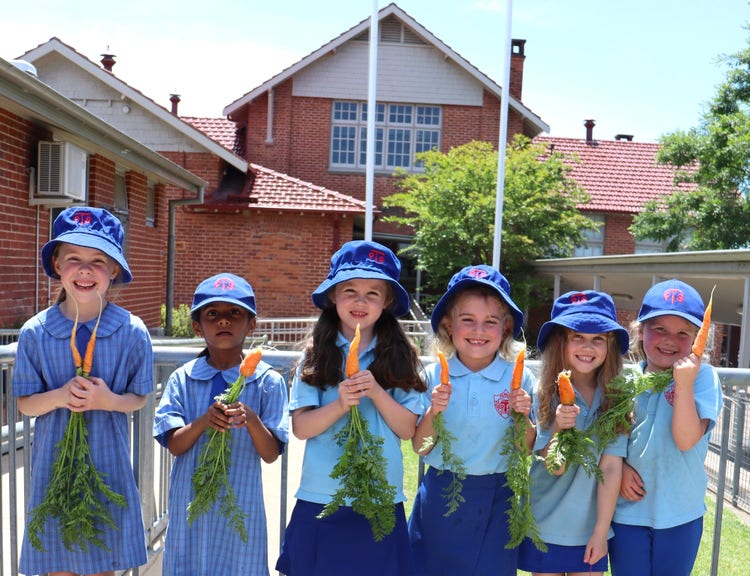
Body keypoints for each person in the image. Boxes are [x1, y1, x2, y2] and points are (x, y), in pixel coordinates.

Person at [13, 206, 152, 576]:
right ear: (57, 264)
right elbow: (26, 404)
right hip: (53, 472)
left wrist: (109, 401)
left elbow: (140, 397)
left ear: (115, 271)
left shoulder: (132, 331)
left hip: (107, 473)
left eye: (98, 260)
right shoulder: (35, 332)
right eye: (74, 258)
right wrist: (59, 396)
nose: (86, 270)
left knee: (102, 566)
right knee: (58, 566)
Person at [275, 240, 425, 576]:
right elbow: (302, 429)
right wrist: (341, 403)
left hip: (380, 498)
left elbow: (407, 429)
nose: (361, 301)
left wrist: (376, 392)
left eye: (373, 293)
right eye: (350, 290)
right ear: (332, 296)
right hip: (322, 495)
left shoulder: (401, 358)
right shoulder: (314, 356)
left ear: (387, 302)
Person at [153, 272, 288, 576]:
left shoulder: (267, 382)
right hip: (191, 505)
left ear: (251, 324)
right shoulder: (182, 379)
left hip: (239, 506)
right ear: (197, 325)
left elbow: (270, 453)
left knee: (239, 565)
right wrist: (203, 421)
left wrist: (251, 420)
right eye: (212, 314)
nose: (223, 321)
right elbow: (174, 445)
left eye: (234, 313)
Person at [408, 264, 535, 576]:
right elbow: (421, 447)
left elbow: (526, 447)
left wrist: (522, 417)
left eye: (490, 322)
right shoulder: (434, 374)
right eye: (468, 321)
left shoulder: (519, 378)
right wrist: (433, 411)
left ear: (505, 329)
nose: (479, 331)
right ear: (449, 326)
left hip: (498, 496)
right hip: (442, 493)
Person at [609, 279, 723, 576]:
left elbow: (686, 440)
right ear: (640, 331)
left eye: (683, 333)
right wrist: (618, 468)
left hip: (680, 514)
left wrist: (683, 385)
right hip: (627, 514)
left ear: (698, 338)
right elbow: (605, 441)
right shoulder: (623, 381)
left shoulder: (703, 378)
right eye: (659, 329)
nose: (669, 340)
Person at [518, 290, 631, 576]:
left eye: (598, 339)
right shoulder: (544, 393)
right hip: (545, 524)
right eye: (577, 337)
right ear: (560, 342)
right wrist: (558, 426)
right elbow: (555, 467)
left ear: (610, 346)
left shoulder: (615, 398)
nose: (587, 346)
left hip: (590, 528)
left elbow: (611, 468)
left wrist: (601, 532)